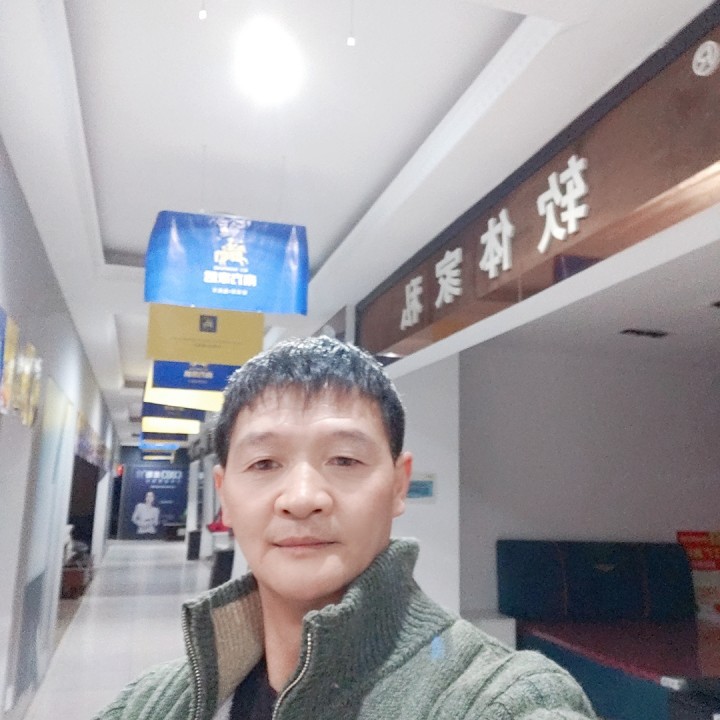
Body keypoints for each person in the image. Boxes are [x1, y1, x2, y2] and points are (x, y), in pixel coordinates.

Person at [94, 336, 596, 720]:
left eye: (345, 460)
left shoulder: (496, 697)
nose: (302, 498)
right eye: (265, 463)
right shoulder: (155, 701)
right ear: (225, 494)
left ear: (398, 485)